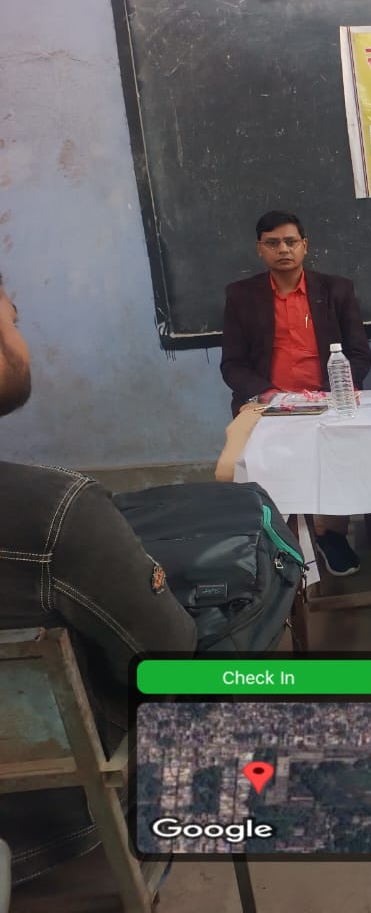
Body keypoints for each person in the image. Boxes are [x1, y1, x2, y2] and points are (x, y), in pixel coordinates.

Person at [0, 271, 198, 887]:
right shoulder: (56, 513)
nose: (20, 337)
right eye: (12, 321)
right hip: (50, 818)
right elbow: (166, 654)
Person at [220, 210, 371, 577]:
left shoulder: (336, 290)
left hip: (326, 400)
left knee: (338, 456)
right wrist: (269, 395)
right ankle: (280, 538)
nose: (283, 250)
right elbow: (233, 366)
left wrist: (333, 393)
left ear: (305, 246)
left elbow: (359, 355)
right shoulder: (241, 296)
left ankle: (331, 534)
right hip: (268, 404)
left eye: (291, 242)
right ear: (260, 249)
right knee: (238, 467)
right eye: (273, 243)